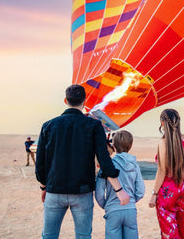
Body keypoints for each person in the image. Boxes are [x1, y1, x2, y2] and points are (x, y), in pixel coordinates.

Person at [35, 84, 130, 239]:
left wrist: (43, 186)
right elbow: (104, 161)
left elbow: (40, 162)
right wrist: (119, 190)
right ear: (84, 102)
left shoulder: (48, 126)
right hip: (82, 192)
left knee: (49, 235)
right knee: (83, 235)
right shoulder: (93, 125)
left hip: (54, 189)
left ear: (66, 101)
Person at [148, 109, 184, 238]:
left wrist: (154, 194)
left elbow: (161, 171)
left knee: (169, 228)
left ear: (162, 122)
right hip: (182, 187)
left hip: (167, 190)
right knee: (183, 227)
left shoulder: (163, 143)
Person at [95, 130, 145, 238]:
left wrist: (106, 205)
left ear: (114, 145)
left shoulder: (108, 166)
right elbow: (140, 190)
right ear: (130, 145)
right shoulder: (135, 165)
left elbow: (99, 192)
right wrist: (131, 200)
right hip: (130, 210)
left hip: (113, 210)